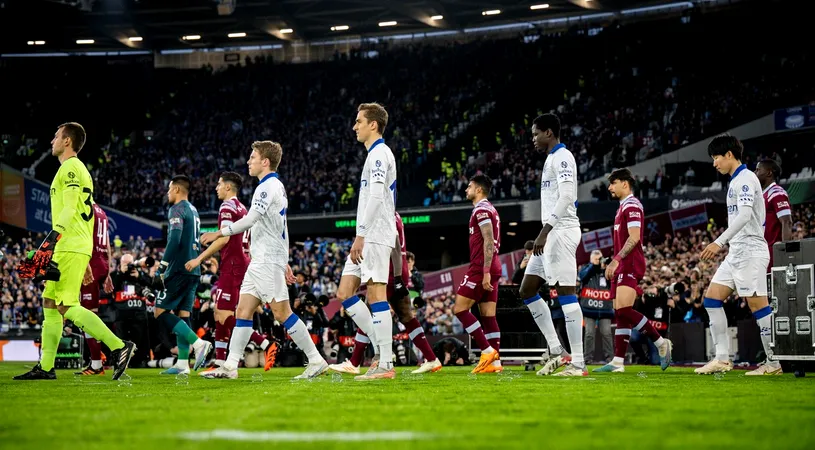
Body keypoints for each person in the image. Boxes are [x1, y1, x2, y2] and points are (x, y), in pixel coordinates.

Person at [15, 122, 135, 381]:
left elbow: (70, 208)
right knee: (49, 302)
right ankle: (46, 367)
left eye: (56, 136)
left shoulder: (70, 168)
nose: (52, 141)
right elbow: (86, 215)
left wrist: (50, 241)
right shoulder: (77, 169)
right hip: (71, 245)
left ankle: (118, 346)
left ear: (67, 141)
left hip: (68, 245)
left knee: (67, 305)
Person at [200, 141, 328, 380]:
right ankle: (229, 366)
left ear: (265, 161)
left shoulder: (267, 187)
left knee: (282, 313)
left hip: (267, 261)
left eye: (252, 157)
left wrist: (219, 232)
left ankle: (316, 359)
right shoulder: (274, 186)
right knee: (243, 310)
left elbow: (251, 220)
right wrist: (285, 259)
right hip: (263, 260)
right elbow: (279, 227)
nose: (249, 161)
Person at [697, 135, 780, 375]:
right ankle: (722, 358)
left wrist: (718, 242)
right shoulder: (735, 181)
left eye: (716, 158)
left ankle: (774, 363)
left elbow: (744, 216)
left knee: (758, 306)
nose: (714, 164)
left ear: (729, 155)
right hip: (737, 252)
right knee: (711, 299)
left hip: (751, 251)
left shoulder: (745, 179)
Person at [185, 172, 277, 374]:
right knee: (219, 312)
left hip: (233, 266)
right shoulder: (243, 207)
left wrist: (199, 259)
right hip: (241, 264)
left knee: (225, 314)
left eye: (219, 184)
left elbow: (224, 239)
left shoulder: (227, 207)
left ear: (228, 187)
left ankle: (264, 343)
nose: (216, 188)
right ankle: (220, 363)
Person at [329, 212, 441, 375]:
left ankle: (357, 361)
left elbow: (393, 244)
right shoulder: (396, 216)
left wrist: (395, 275)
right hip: (397, 269)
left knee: (370, 311)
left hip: (388, 269)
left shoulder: (384, 214)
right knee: (407, 317)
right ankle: (432, 359)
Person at [334, 103, 399, 381]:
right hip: (367, 233)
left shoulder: (379, 155)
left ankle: (385, 362)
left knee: (375, 294)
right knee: (345, 292)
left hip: (375, 234)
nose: (354, 126)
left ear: (373, 124)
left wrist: (361, 234)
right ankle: (382, 348)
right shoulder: (373, 155)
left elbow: (375, 198)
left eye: (359, 121)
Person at [519, 113, 586, 377]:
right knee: (527, 289)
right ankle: (558, 351)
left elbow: (568, 195)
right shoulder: (550, 159)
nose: (533, 139)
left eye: (536, 133)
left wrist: (546, 231)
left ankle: (579, 363)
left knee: (566, 293)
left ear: (549, 132)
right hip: (550, 231)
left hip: (561, 232)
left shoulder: (563, 157)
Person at [594, 168, 672, 373]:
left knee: (625, 311)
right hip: (622, 264)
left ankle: (660, 342)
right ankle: (618, 362)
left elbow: (635, 237)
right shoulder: (622, 207)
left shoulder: (632, 205)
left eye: (613, 183)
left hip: (629, 263)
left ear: (625, 184)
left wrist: (616, 260)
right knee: (620, 314)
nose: (610, 187)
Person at [152, 175, 213, 375]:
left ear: (177, 190)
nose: (168, 193)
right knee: (183, 314)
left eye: (169, 190)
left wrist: (161, 267)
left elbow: (175, 239)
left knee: (160, 312)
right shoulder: (193, 210)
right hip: (193, 269)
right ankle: (182, 364)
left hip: (179, 268)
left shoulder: (176, 209)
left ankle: (198, 343)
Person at [452, 175, 503, 374]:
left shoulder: (481, 210)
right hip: (493, 265)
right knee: (488, 316)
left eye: (470, 186)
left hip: (482, 266)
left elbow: (488, 240)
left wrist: (485, 271)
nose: (466, 189)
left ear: (479, 190)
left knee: (460, 309)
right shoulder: (491, 209)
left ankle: (487, 351)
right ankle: (495, 363)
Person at [75, 203, 114, 376]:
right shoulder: (102, 212)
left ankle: (98, 363)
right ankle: (98, 361)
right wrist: (108, 271)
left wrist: (85, 266)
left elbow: (82, 238)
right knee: (92, 314)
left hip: (90, 262)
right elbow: (107, 243)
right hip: (102, 263)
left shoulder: (84, 208)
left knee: (87, 316)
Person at [755, 159, 793, 269]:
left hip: (774, 254)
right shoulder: (763, 195)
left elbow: (787, 222)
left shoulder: (777, 192)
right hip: (762, 253)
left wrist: (787, 254)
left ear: (769, 173)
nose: (755, 173)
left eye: (758, 170)